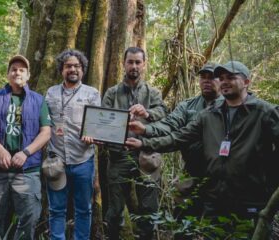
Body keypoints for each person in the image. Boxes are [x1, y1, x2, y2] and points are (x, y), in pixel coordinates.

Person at [126, 61, 279, 233]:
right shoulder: (209, 114)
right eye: (221, 78)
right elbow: (179, 137)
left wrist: (271, 184)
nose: (224, 81)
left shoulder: (264, 112)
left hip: (251, 199)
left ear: (246, 82)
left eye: (231, 77)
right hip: (215, 198)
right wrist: (144, 141)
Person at [129, 63, 223, 216]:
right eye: (203, 78)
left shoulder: (229, 106)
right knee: (182, 216)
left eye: (211, 78)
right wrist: (146, 129)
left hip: (220, 176)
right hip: (191, 171)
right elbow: (170, 124)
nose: (206, 81)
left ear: (221, 81)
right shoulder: (187, 105)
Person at [0, 55, 51, 240]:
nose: (17, 72)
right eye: (13, 69)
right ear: (8, 74)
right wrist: (0, 150)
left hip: (27, 170)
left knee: (30, 216)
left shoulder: (38, 100)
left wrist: (26, 152)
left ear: (28, 75)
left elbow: (46, 132)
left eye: (21, 70)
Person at [102, 46, 168, 240]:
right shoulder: (112, 93)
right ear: (123, 64)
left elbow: (164, 114)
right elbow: (102, 121)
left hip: (147, 155)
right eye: (130, 62)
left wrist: (147, 113)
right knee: (114, 209)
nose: (134, 66)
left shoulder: (153, 93)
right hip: (118, 155)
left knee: (148, 208)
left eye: (138, 62)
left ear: (144, 65)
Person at [45, 49, 101, 240]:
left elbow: (98, 125)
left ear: (82, 69)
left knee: (84, 209)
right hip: (56, 160)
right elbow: (44, 123)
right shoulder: (51, 93)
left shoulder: (92, 93)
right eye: (68, 66)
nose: (73, 69)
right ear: (62, 69)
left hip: (83, 161)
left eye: (77, 66)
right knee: (56, 208)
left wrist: (92, 135)